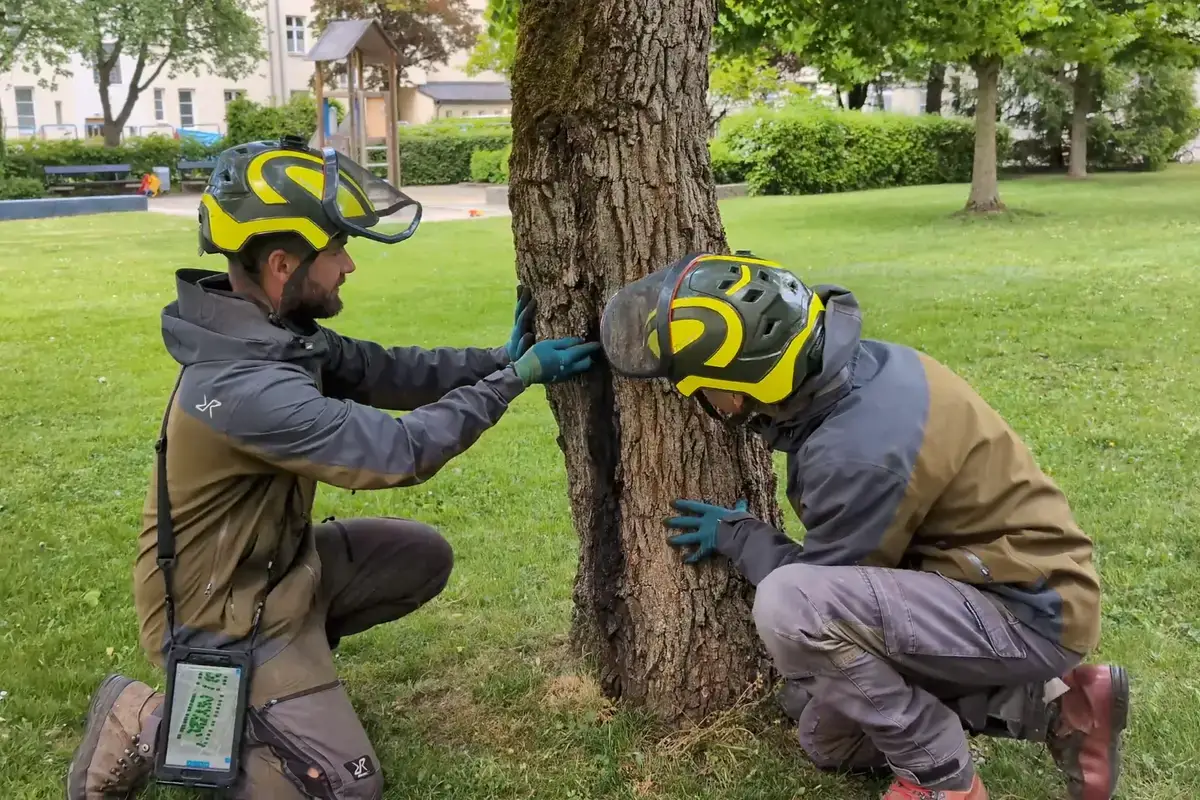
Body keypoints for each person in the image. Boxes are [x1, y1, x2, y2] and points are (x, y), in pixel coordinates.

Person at [66, 136, 600, 800]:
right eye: (337, 250)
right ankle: (145, 716)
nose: (348, 265)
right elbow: (399, 452)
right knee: (343, 789)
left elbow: (385, 370)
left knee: (420, 557)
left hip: (281, 577)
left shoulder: (275, 336)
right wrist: (512, 381)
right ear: (285, 264)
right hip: (214, 620)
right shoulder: (247, 387)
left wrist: (494, 357)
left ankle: (291, 679)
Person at [598, 250, 1129, 800]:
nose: (700, 400)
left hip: (1028, 610)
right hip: (988, 586)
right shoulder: (860, 369)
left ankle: (941, 778)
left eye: (699, 387)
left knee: (792, 608)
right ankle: (1064, 707)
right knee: (829, 739)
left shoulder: (856, 452)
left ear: (740, 390)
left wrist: (742, 536)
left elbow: (823, 594)